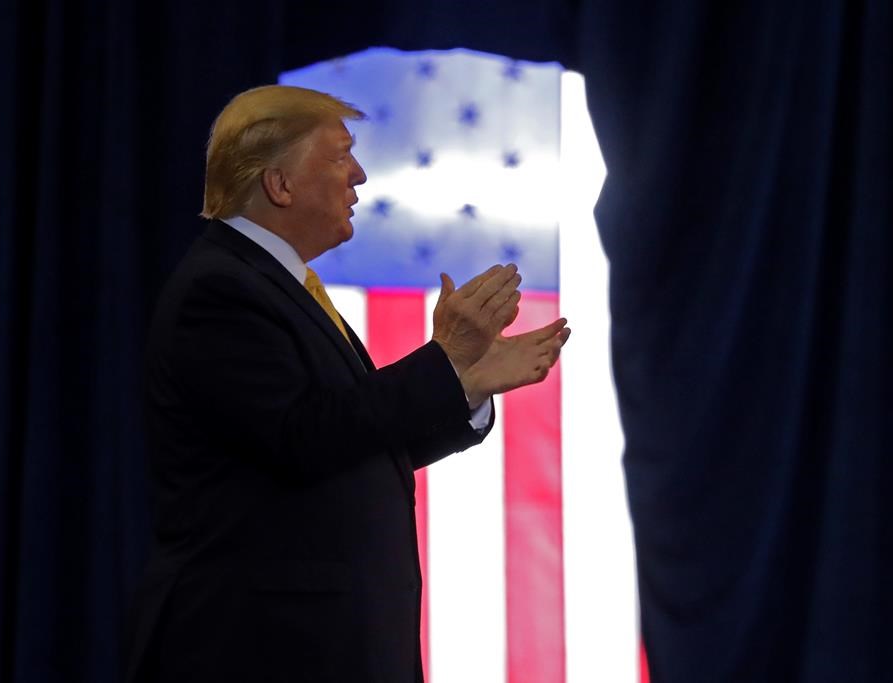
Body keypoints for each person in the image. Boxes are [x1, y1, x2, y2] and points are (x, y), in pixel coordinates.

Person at [123, 84, 570, 683]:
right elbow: (304, 438)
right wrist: (443, 359)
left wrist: (463, 383)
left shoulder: (271, 283)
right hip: (260, 648)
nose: (359, 175)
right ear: (279, 185)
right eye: (339, 156)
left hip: (316, 643)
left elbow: (353, 452)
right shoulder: (222, 290)